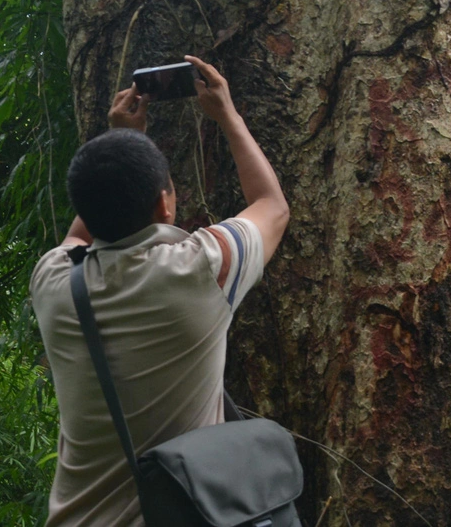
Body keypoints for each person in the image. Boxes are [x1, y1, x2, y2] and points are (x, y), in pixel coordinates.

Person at [30, 55, 290, 527]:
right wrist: (227, 114)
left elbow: (78, 237)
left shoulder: (53, 281)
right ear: (165, 203)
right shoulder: (199, 269)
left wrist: (119, 140)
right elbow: (271, 206)